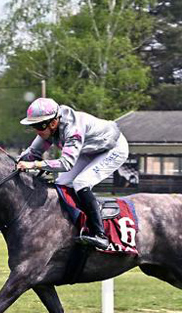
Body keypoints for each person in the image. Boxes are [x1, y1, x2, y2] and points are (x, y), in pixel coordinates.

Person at [15, 97, 129, 249]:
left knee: (81, 183)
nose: (36, 130)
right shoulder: (49, 126)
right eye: (33, 126)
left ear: (53, 122)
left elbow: (65, 163)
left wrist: (34, 164)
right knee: (60, 184)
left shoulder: (72, 129)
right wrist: (16, 162)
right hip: (89, 149)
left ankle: (99, 234)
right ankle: (70, 227)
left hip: (113, 148)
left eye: (38, 126)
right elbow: (32, 153)